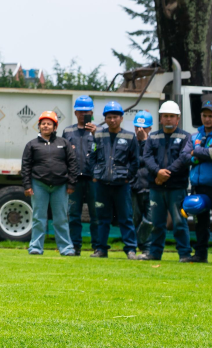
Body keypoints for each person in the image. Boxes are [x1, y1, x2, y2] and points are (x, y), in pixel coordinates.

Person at [141, 101, 194, 261]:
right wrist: (158, 172)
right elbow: (147, 157)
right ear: (160, 118)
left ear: (178, 118)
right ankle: (155, 254)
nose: (169, 119)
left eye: (172, 116)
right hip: (156, 188)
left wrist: (165, 173)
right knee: (157, 223)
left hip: (177, 187)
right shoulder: (153, 137)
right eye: (166, 116)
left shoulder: (185, 137)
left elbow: (184, 158)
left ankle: (184, 254)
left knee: (179, 223)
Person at [89, 101, 141, 259]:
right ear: (105, 119)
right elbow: (92, 157)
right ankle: (101, 249)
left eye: (116, 117)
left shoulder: (130, 136)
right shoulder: (98, 135)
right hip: (102, 184)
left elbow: (135, 161)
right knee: (102, 218)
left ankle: (131, 249)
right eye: (109, 117)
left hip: (121, 185)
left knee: (125, 218)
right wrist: (95, 175)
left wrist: (127, 178)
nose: (112, 120)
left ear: (121, 118)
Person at [21, 111, 77, 256]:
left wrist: (71, 184)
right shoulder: (31, 145)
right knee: (39, 218)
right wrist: (27, 185)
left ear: (55, 127)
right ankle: (35, 247)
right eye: (43, 123)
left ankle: (66, 248)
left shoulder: (64, 143)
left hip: (61, 186)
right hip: (39, 185)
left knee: (61, 219)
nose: (46, 126)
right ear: (39, 126)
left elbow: (72, 164)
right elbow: (26, 166)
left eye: (49, 124)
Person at [188, 100, 212, 262]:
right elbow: (184, 156)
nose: (207, 119)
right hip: (198, 186)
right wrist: (199, 155)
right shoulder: (194, 135)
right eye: (204, 116)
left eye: (211, 116)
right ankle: (200, 255)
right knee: (200, 222)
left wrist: (195, 153)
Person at [62, 96, 98, 255]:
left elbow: (104, 153)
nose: (84, 114)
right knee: (74, 215)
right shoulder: (68, 131)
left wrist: (96, 134)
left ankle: (98, 247)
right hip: (74, 179)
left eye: (87, 112)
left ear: (92, 112)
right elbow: (63, 156)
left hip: (94, 179)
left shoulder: (99, 131)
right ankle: (74, 246)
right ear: (75, 112)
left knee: (96, 215)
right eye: (81, 111)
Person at [130, 111, 155, 252]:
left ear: (149, 128)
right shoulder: (130, 142)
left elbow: (150, 161)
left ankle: (144, 243)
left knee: (150, 220)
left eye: (143, 127)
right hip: (134, 187)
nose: (140, 130)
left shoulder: (154, 142)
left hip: (151, 186)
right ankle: (139, 247)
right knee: (135, 219)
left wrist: (144, 141)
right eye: (137, 127)